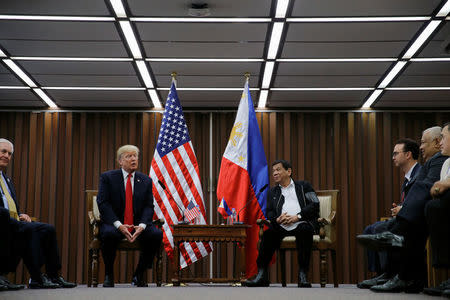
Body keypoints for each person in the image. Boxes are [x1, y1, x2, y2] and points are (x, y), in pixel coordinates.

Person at [357, 127, 448, 293]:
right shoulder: (433, 162)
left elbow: (426, 188)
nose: (420, 147)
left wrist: (404, 211)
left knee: (393, 228)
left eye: (423, 142)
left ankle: (399, 275)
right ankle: (396, 275)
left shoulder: (439, 160)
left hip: (432, 213)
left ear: (436, 142)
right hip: (425, 213)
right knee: (392, 227)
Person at [0, 138, 76, 289]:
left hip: (11, 220)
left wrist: (21, 214)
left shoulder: (6, 179)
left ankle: (53, 275)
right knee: (29, 229)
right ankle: (36, 278)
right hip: (2, 220)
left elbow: (9, 203)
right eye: (3, 151)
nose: (7, 156)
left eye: (9, 153)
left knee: (48, 229)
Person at [243, 159, 319, 288]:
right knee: (268, 235)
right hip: (281, 225)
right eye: (273, 171)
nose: (275, 173)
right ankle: (261, 275)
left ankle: (302, 275)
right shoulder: (273, 192)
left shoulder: (304, 186)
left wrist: (298, 217)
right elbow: (270, 212)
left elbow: (315, 204)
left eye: (278, 170)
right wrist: (277, 219)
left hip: (301, 223)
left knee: (305, 231)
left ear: (288, 171)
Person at [358, 138, 421, 289]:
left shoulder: (419, 174)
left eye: (395, 153)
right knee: (369, 229)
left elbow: (419, 200)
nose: (393, 157)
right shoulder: (408, 177)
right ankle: (381, 274)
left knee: (379, 229)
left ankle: (389, 274)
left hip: (414, 221)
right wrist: (399, 207)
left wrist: (403, 209)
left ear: (408, 155)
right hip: (405, 216)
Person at [96, 145, 163, 288]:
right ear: (120, 161)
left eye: (135, 156)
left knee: (156, 234)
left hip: (137, 224)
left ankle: (139, 273)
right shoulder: (108, 178)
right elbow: (103, 203)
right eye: (129, 156)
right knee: (108, 234)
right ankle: (109, 274)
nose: (133, 159)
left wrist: (143, 226)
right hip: (115, 223)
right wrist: (118, 225)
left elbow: (148, 206)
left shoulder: (145, 180)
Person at [423, 122, 450, 297]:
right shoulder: (447, 163)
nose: (441, 143)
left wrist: (446, 184)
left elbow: (440, 187)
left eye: (444, 138)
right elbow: (436, 189)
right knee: (434, 206)